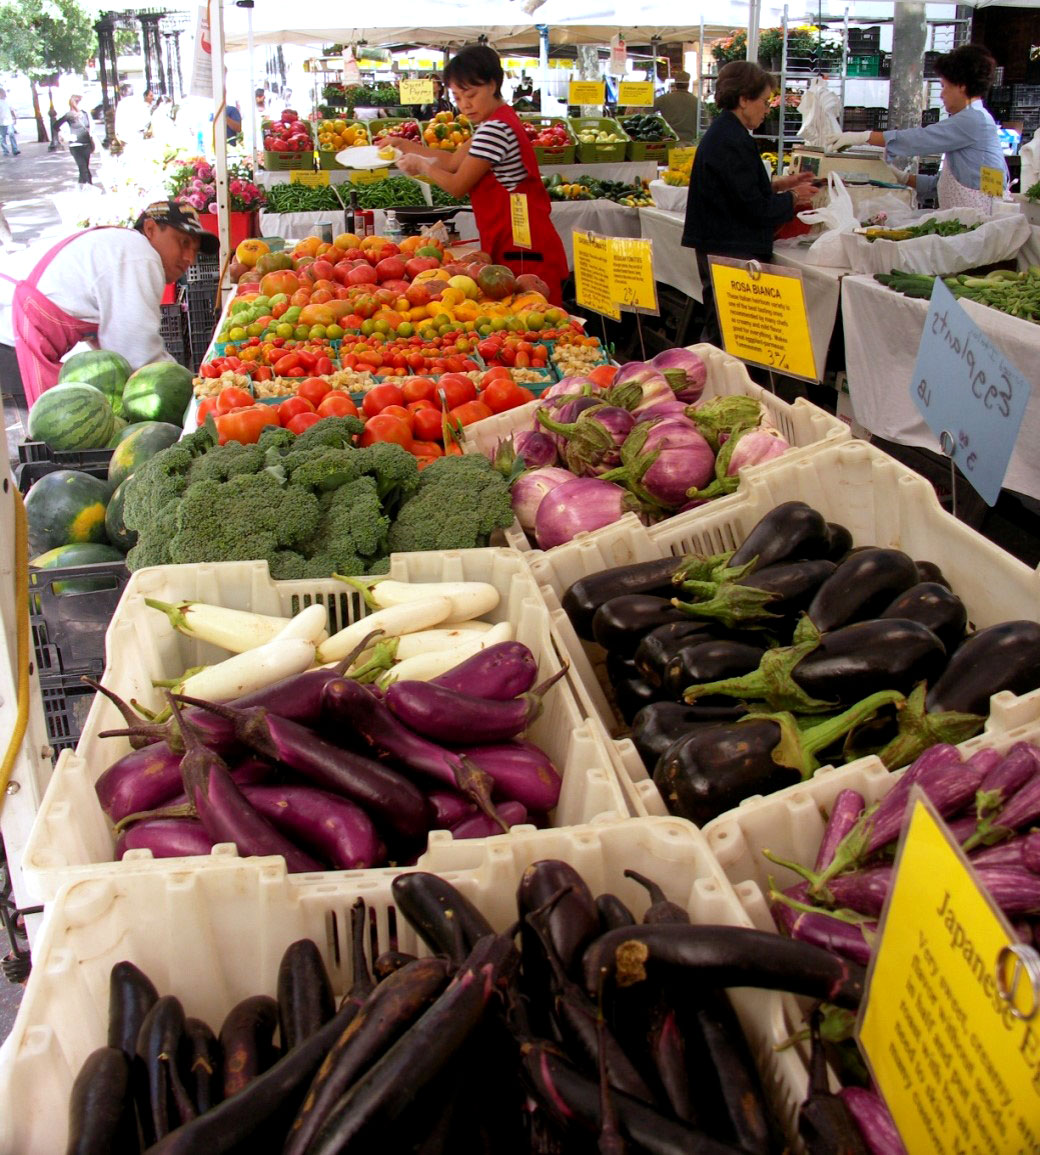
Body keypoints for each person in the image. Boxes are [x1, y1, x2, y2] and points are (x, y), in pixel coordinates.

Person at [380, 44, 568, 306]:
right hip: (515, 237)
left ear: (492, 84)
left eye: (470, 94)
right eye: (457, 98)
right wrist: (404, 145)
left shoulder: (495, 130)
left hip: (522, 243)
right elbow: (454, 161)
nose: (465, 105)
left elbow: (457, 184)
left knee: (537, 318)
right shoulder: (496, 121)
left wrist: (422, 166)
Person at [0, 200, 218, 406]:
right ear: (150, 229)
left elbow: (116, 342)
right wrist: (191, 389)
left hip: (20, 333)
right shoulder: (140, 256)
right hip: (11, 338)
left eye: (195, 250)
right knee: (46, 426)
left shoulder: (125, 247)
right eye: (183, 242)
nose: (189, 258)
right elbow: (138, 353)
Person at [681, 61, 816, 344]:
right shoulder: (731, 138)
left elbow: (737, 189)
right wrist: (793, 198)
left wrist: (781, 185)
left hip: (721, 243)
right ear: (743, 99)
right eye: (764, 101)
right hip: (730, 247)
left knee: (723, 326)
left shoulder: (727, 133)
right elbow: (753, 208)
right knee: (730, 332)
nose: (767, 109)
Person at [832, 44, 1006, 209]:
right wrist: (903, 178)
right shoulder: (975, 118)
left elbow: (921, 139)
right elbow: (941, 184)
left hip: (978, 220)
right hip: (968, 217)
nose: (942, 94)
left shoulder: (973, 120)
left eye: (944, 86)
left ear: (961, 86)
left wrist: (863, 137)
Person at [56, 95, 95, 185]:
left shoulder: (83, 114)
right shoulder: (70, 115)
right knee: (83, 168)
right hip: (78, 145)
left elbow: (90, 127)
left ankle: (83, 186)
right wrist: (63, 134)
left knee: (84, 168)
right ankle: (88, 186)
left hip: (83, 144)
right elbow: (56, 125)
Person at [653, 71, 700, 145]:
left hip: (669, 142)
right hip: (689, 144)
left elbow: (646, 111)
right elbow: (705, 122)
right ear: (688, 84)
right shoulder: (696, 101)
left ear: (675, 84)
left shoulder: (664, 99)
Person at [0, 89, 20, 157]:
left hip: (9, 121)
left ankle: (15, 149)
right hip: (1, 122)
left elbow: (12, 110)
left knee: (11, 134)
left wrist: (14, 118)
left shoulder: (7, 102)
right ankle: (5, 151)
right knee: (2, 137)